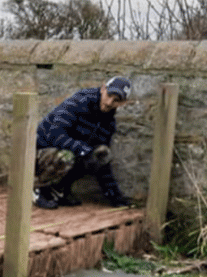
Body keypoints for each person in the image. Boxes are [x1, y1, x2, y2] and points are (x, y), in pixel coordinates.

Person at [33, 76, 133, 210]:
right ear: (103, 89)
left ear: (123, 103)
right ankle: (38, 189)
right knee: (68, 156)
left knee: (100, 154)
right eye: (109, 95)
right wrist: (81, 148)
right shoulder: (80, 101)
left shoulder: (109, 123)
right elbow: (54, 133)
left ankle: (58, 190)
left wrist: (116, 199)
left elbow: (102, 162)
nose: (109, 102)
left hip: (66, 153)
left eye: (116, 100)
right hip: (39, 152)